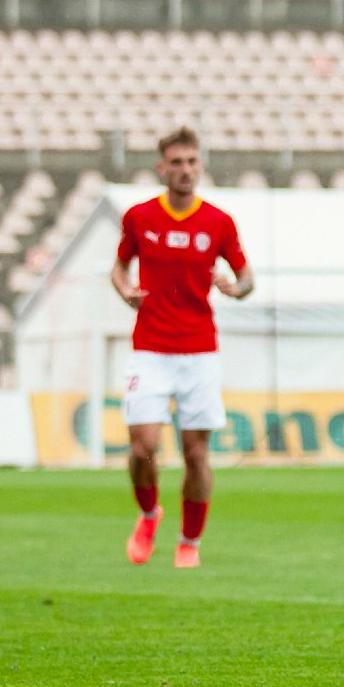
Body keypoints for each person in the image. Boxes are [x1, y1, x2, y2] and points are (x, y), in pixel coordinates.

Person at [111, 127, 253, 568]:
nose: (185, 170)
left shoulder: (218, 222)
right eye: (176, 162)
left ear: (200, 165)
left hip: (199, 351)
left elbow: (247, 277)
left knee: (195, 452)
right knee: (142, 447)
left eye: (191, 162)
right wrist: (125, 291)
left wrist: (235, 288)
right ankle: (149, 514)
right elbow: (118, 268)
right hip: (150, 347)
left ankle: (189, 541)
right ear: (162, 168)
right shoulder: (139, 217)